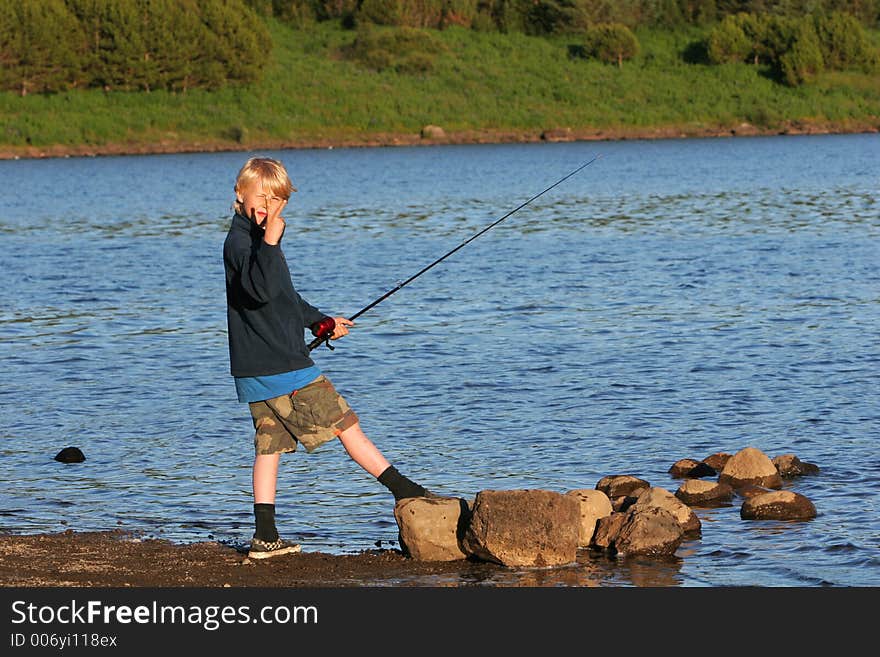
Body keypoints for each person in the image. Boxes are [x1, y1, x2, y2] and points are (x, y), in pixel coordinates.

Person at [223, 156, 431, 559]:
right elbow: (260, 291)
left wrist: (320, 322)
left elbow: (283, 299)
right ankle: (406, 491)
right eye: (261, 197)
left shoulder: (254, 239)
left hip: (258, 369)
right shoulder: (242, 243)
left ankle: (265, 536)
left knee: (269, 447)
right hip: (282, 367)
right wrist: (271, 240)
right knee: (346, 424)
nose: (268, 207)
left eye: (277, 200)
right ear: (239, 194)